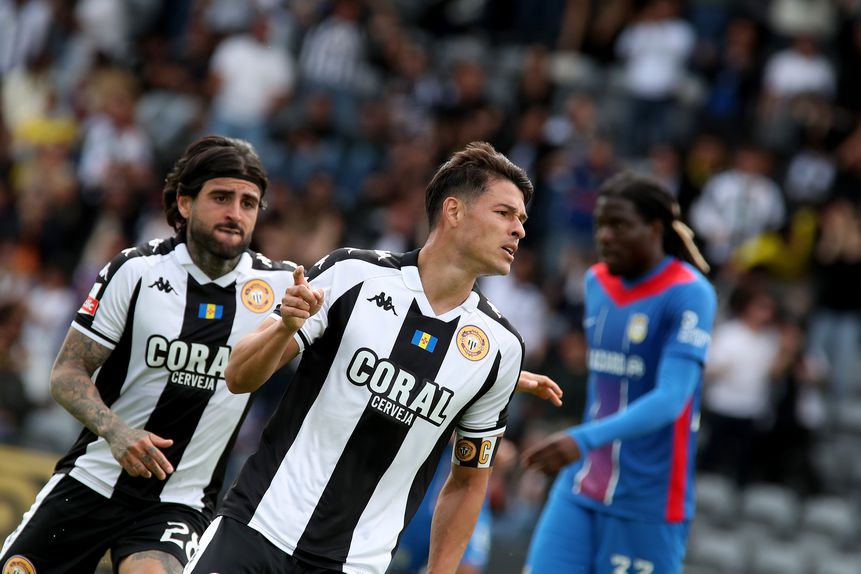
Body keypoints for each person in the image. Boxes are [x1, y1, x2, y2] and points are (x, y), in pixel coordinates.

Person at [185, 141, 556, 574]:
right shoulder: (351, 274)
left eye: (522, 220)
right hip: (256, 528)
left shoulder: (500, 349)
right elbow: (238, 376)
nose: (519, 230)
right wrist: (285, 326)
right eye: (504, 213)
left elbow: (469, 480)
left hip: (356, 565)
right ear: (453, 211)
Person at [0, 135, 300, 574]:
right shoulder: (135, 271)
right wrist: (117, 432)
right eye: (221, 197)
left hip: (178, 502)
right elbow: (67, 372)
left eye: (249, 203)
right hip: (94, 479)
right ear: (184, 203)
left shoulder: (278, 290)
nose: (235, 214)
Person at [522, 172, 717, 574]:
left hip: (648, 503)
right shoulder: (596, 282)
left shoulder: (689, 292)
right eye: (600, 226)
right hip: (581, 486)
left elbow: (671, 398)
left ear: (655, 228)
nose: (606, 236)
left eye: (620, 225)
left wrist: (581, 438)